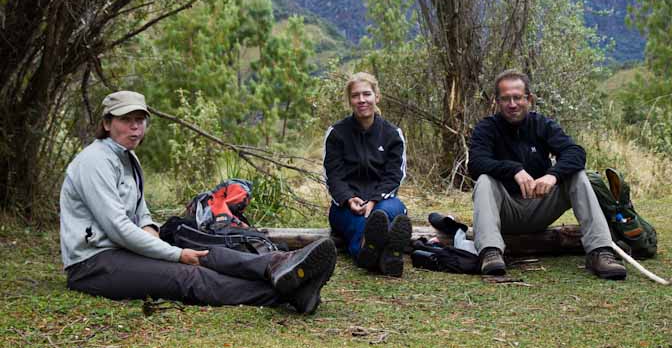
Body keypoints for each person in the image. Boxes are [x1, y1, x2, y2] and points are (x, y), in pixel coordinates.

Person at [60, 91, 337, 314]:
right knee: (188, 276)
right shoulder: (94, 162)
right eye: (125, 119)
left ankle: (277, 264)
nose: (135, 126)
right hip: (93, 263)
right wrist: (174, 254)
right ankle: (285, 294)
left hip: (123, 250)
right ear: (107, 123)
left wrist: (155, 236)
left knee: (208, 253)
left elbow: (140, 213)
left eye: (139, 119)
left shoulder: (127, 158)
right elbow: (118, 227)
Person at [468, 70, 626, 280]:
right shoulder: (487, 128)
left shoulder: (542, 125)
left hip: (540, 205)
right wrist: (514, 169)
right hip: (504, 210)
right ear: (497, 102)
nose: (512, 104)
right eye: (505, 99)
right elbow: (476, 163)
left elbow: (576, 153)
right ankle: (490, 252)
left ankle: (601, 252)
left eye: (518, 97)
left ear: (529, 99)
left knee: (578, 176)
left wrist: (553, 175)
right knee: (485, 181)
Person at [323, 72, 412, 276]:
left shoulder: (392, 134)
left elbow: (394, 175)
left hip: (383, 201)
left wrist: (373, 202)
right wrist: (349, 199)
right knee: (361, 222)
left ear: (376, 97)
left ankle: (375, 252)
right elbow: (333, 176)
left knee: (386, 212)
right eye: (355, 95)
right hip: (346, 205)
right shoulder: (337, 133)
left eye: (367, 94)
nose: (361, 100)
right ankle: (387, 255)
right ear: (350, 101)